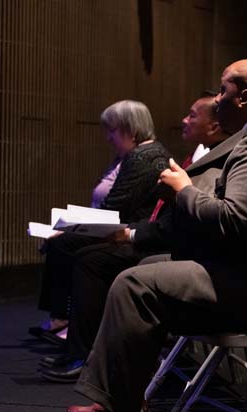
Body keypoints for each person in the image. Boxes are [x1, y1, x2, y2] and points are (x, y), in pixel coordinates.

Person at [33, 58, 247, 412]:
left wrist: (185, 189)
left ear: (245, 97)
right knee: (150, 265)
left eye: (222, 91)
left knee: (138, 283)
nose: (216, 99)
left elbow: (232, 219)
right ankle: (124, 403)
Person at [37, 94, 231, 382]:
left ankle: (91, 356)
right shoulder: (190, 154)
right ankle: (86, 351)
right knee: (82, 251)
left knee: (89, 257)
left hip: (178, 247)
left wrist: (130, 233)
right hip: (162, 233)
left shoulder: (148, 157)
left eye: (192, 115)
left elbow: (185, 215)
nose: (183, 121)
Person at [33, 100, 170, 341]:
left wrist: (72, 228)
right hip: (123, 227)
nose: (108, 138)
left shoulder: (142, 157)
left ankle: (72, 327)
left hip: (130, 233)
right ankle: (64, 321)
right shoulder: (135, 154)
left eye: (112, 130)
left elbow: (117, 206)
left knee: (65, 245)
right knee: (61, 240)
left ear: (131, 128)